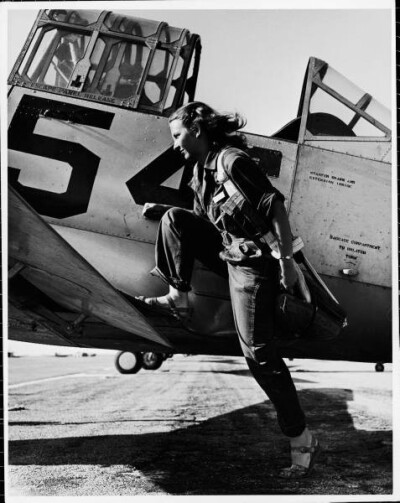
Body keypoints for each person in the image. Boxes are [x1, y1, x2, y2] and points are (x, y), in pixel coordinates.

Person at [136, 101, 321, 478]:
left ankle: (301, 437)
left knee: (259, 354)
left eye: (178, 136)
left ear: (198, 130)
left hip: (254, 265)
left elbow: (276, 208)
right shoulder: (199, 174)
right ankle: (178, 297)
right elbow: (206, 223)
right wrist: (165, 211)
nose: (175, 145)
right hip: (227, 252)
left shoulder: (232, 161)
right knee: (175, 219)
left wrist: (286, 263)